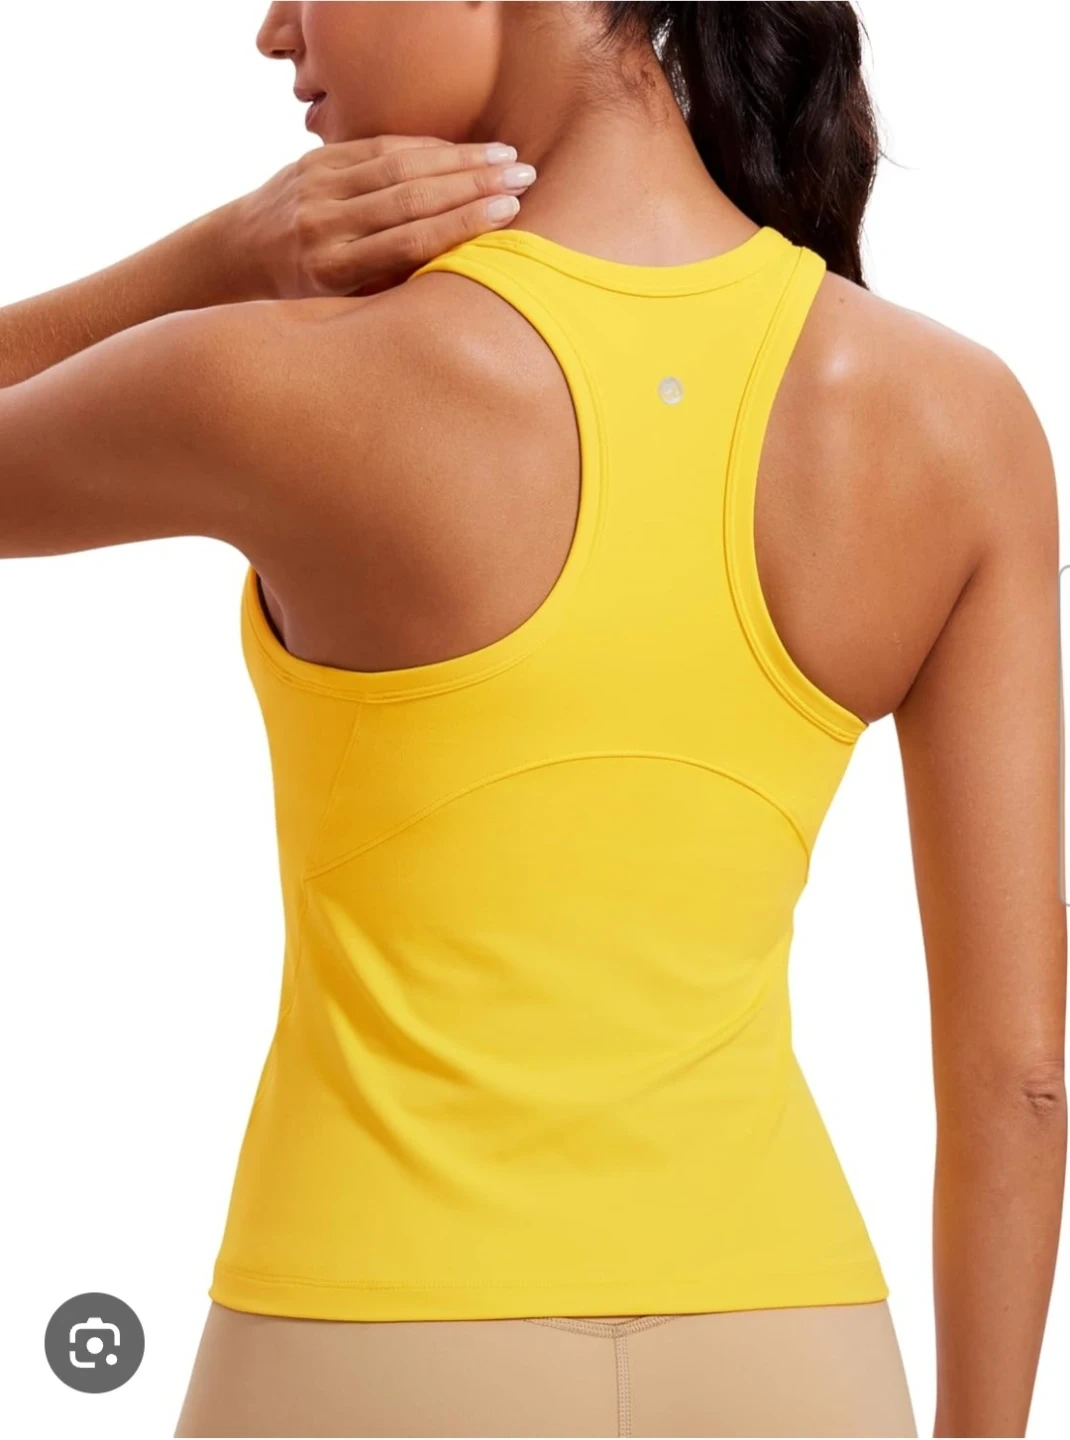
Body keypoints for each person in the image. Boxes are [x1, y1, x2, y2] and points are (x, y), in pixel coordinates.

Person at [1, 3, 1064, 1436]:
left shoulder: (289, 376)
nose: (274, 30)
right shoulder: (955, 418)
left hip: (368, 1344)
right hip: (790, 1349)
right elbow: (1020, 1080)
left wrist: (213, 261)